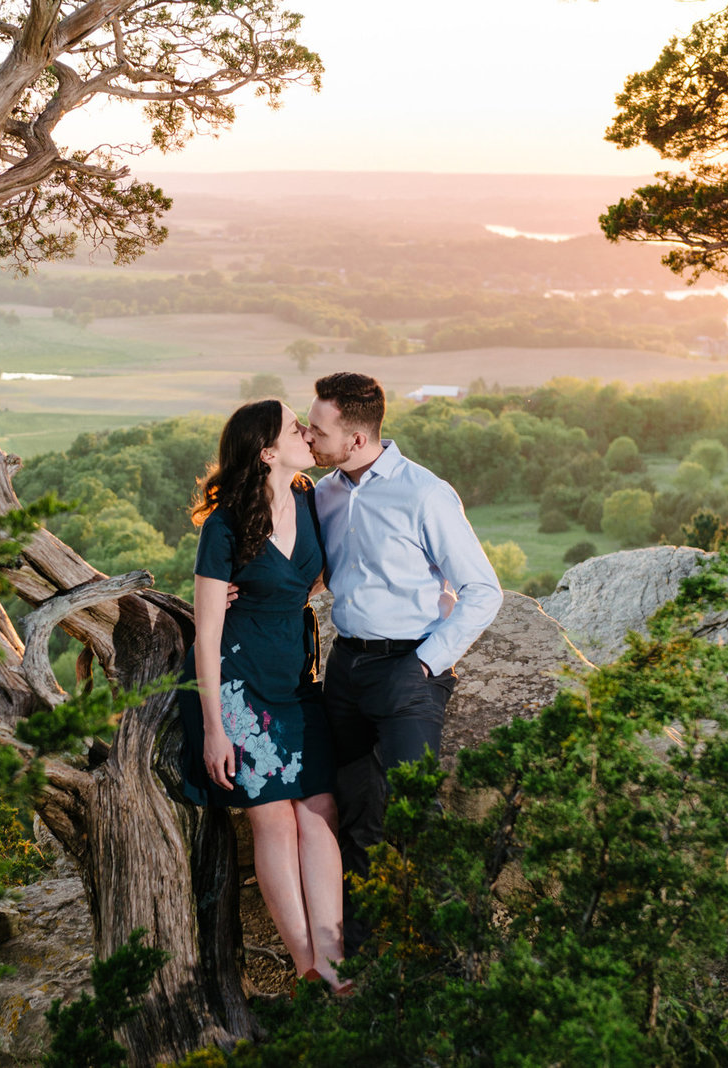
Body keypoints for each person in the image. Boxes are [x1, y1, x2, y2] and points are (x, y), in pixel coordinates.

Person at [302, 371, 502, 954]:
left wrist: (426, 664)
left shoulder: (425, 494)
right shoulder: (324, 494)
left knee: (416, 814)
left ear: (357, 439)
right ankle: (361, 957)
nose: (308, 437)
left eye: (318, 430)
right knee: (356, 810)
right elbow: (312, 572)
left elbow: (482, 590)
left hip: (408, 670)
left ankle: (449, 958)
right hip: (345, 671)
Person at [177, 398, 347, 990]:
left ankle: (335, 954)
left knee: (320, 810)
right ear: (267, 452)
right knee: (273, 819)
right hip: (239, 683)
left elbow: (314, 574)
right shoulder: (224, 525)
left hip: (297, 679)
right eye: (295, 428)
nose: (307, 432)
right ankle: (308, 964)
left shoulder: (309, 499)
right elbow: (205, 632)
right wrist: (215, 727)